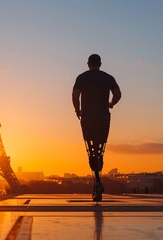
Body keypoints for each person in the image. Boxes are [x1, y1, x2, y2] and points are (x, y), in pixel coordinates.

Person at [72, 54, 121, 201]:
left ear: (88, 64)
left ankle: (97, 182)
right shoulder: (108, 77)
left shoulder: (81, 77)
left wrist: (78, 110)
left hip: (87, 117)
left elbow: (75, 96)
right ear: (100, 64)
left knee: (90, 150)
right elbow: (118, 94)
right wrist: (110, 104)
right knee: (100, 149)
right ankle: (98, 181)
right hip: (103, 117)